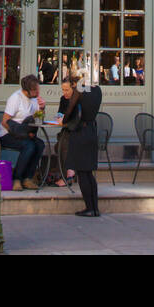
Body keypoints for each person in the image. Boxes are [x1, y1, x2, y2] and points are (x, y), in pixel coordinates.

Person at [61, 76, 103, 216]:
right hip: (92, 131)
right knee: (89, 173)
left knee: (82, 172)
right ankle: (95, 208)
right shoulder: (97, 91)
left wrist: (64, 120)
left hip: (80, 133)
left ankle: (90, 208)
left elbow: (68, 115)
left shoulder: (78, 94)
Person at [0, 74, 46, 190]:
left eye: (38, 89)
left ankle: (28, 178)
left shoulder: (35, 99)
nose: (38, 92)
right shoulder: (16, 98)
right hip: (8, 133)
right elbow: (5, 121)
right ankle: (17, 179)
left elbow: (38, 119)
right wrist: (21, 135)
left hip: (26, 132)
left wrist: (42, 108)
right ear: (27, 90)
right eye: (35, 90)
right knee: (29, 146)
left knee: (40, 144)